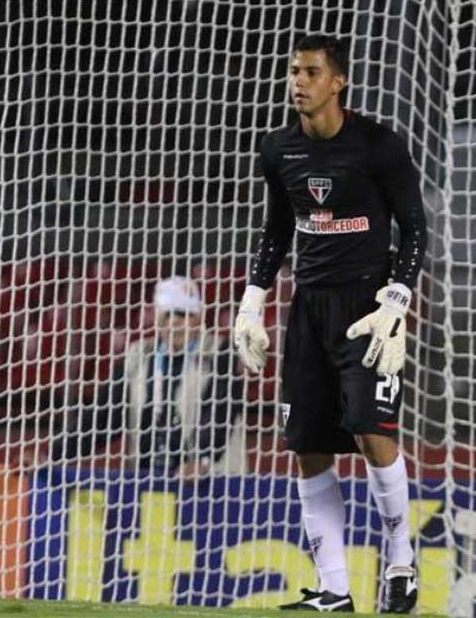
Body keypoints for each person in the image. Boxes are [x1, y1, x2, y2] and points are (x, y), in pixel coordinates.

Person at [233, 34, 427, 613]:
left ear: (337, 82)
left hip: (367, 311)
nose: (298, 82)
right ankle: (335, 590)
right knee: (309, 449)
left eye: (311, 72)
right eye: (294, 71)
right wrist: (252, 300)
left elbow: (415, 227)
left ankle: (400, 565)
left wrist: (397, 300)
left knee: (373, 435)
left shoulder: (378, 145)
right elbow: (277, 232)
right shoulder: (277, 150)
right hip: (309, 311)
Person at [50, 275, 245, 477]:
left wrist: (202, 460)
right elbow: (101, 418)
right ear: (156, 315)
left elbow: (218, 412)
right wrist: (50, 455)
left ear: (198, 316)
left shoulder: (220, 352)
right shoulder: (138, 355)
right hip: (149, 481)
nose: (174, 321)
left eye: (183, 313)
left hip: (212, 483)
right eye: (167, 313)